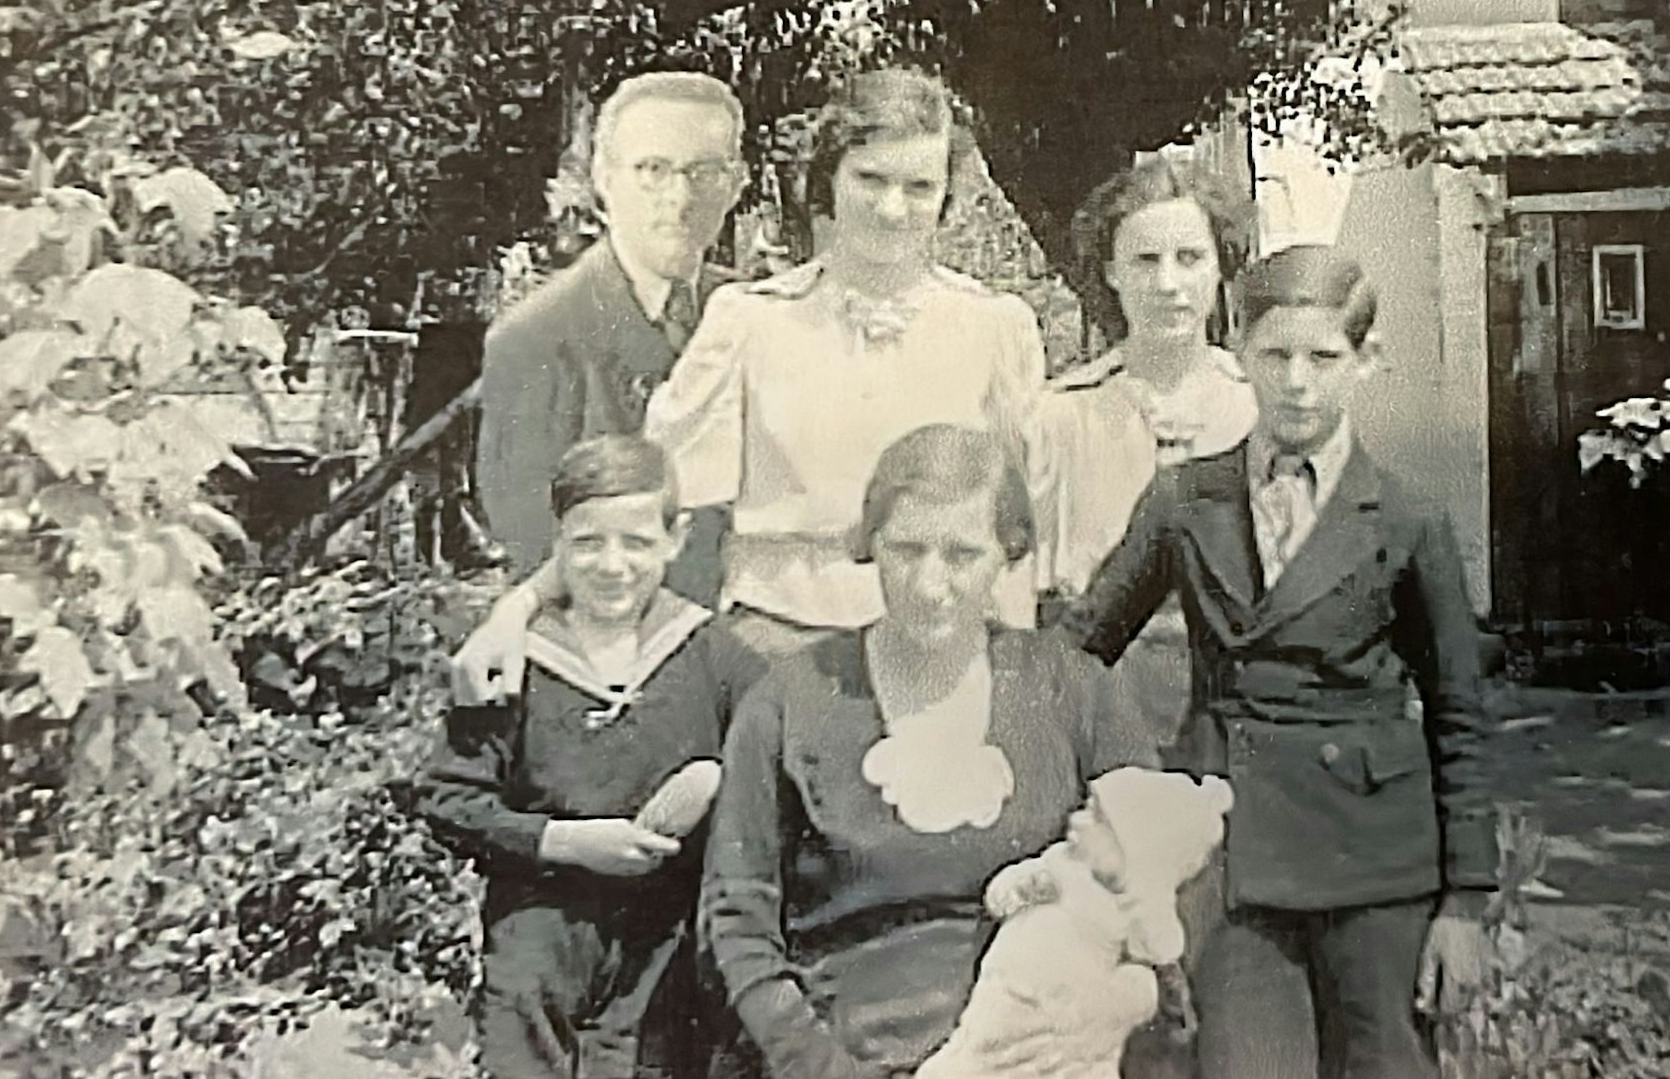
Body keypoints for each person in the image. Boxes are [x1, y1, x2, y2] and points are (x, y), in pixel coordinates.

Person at [455, 67, 1049, 703]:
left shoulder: (996, 329)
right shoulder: (749, 322)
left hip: (941, 655)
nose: (891, 208)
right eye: (869, 179)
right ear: (827, 183)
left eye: (918, 187)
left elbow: (1017, 529)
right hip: (778, 654)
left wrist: (1006, 674)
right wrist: (520, 608)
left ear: (946, 200)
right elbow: (645, 500)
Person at [1060, 246, 1500, 1079]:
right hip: (1231, 849)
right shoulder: (1187, 498)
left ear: (1365, 363)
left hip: (1376, 863)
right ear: (1240, 350)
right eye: (1275, 355)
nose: (1298, 381)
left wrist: (1466, 902)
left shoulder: (1406, 518)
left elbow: (1459, 713)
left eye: (1324, 357)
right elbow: (1081, 649)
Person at [700, 424, 1163, 1078]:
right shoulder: (789, 703)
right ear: (870, 546)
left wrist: (1119, 1003)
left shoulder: (1073, 690)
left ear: (1007, 554)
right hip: (848, 1053)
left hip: (1043, 1052)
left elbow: (1165, 876)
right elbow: (735, 923)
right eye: (906, 549)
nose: (929, 582)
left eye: (961, 553)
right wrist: (825, 1069)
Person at [419, 434, 766, 1079]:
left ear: (676, 539)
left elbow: (775, 782)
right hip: (539, 934)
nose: (613, 565)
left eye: (637, 542)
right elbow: (447, 799)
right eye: (587, 542)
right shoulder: (515, 660)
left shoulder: (716, 657)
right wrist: (566, 841)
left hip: (666, 942)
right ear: (557, 541)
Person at [476, 71, 749, 590]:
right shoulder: (536, 339)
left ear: (737, 183)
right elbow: (535, 545)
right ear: (604, 177)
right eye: (653, 169)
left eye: (705, 171)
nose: (680, 196)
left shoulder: (751, 315)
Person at [1036, 155, 1260, 748]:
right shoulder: (1060, 417)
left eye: (1189, 259)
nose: (1168, 284)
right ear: (1110, 271)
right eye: (1145, 260)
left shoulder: (1264, 413)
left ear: (1221, 267)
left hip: (1241, 713)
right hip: (1100, 713)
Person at [916, 768, 1233, 1079]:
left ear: (1135, 850)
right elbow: (997, 896)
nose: (1077, 820)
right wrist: (1016, 888)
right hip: (1008, 986)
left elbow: (1163, 951)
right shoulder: (1059, 861)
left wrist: (1143, 909)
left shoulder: (1136, 907)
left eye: (1096, 819)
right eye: (1086, 808)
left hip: (1069, 1013)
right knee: (974, 1056)